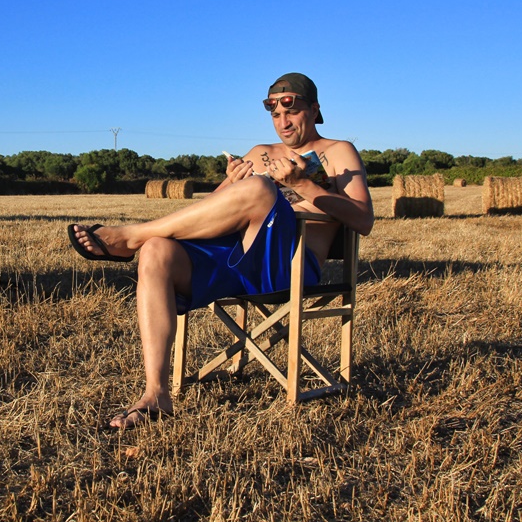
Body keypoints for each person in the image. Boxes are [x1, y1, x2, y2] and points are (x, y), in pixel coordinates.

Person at [67, 72, 374, 429]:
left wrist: (300, 184)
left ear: (315, 109)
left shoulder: (339, 152)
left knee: (260, 190)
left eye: (291, 111)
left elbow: (364, 220)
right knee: (156, 252)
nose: (283, 122)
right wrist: (230, 181)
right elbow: (201, 218)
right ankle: (156, 396)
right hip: (234, 259)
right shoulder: (260, 152)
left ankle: (129, 238)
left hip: (286, 265)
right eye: (275, 114)